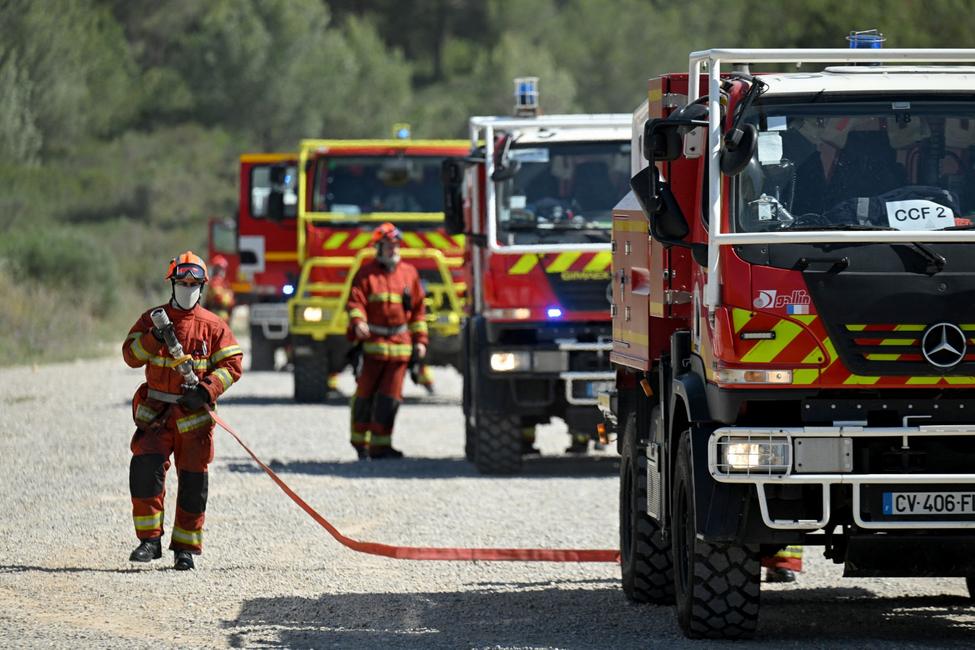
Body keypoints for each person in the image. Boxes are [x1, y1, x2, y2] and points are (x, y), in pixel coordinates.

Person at [122, 251, 243, 570]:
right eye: (182, 282)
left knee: (192, 483)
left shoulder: (213, 326)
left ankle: (185, 550)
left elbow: (232, 365)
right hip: (156, 414)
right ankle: (149, 541)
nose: (188, 288)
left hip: (194, 418)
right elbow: (131, 356)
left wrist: (206, 389)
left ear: (203, 286)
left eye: (194, 283)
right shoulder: (152, 319)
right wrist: (152, 339)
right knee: (145, 473)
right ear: (172, 283)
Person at [346, 223, 427, 459]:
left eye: (395, 245)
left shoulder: (409, 273)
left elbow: (419, 311)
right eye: (388, 245)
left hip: (400, 348)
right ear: (378, 247)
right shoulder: (365, 274)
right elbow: (355, 303)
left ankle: (382, 445)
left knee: (390, 400)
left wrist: (420, 341)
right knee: (364, 397)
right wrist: (358, 322)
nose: (392, 249)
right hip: (373, 348)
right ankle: (360, 443)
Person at [203, 254, 235, 324]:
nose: (220, 271)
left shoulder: (224, 283)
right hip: (217, 317)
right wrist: (229, 298)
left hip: (222, 318)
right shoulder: (215, 283)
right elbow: (220, 298)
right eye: (218, 269)